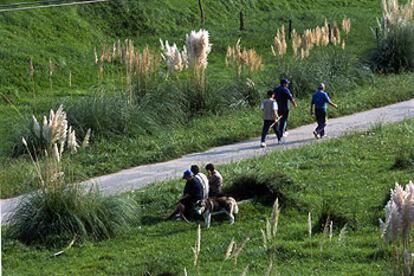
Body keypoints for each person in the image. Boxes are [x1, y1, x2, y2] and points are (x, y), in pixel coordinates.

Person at [273, 78, 297, 142]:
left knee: (279, 119)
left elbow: (273, 97)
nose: (287, 84)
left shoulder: (276, 89)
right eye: (287, 83)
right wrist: (294, 104)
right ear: (284, 84)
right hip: (285, 107)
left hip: (277, 107)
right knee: (284, 120)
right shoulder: (285, 90)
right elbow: (290, 97)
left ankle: (282, 131)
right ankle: (281, 133)